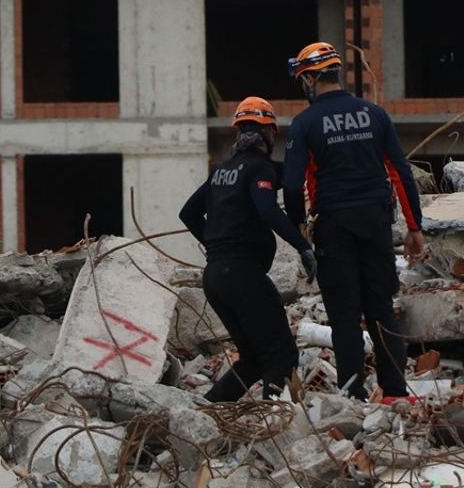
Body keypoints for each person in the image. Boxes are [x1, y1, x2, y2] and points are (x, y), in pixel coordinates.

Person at [282, 42, 425, 403]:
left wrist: (301, 229)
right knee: (380, 307)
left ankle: (352, 393)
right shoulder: (374, 114)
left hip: (333, 224)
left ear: (312, 78)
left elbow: (291, 183)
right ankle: (394, 391)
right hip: (375, 222)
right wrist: (414, 227)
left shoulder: (305, 123)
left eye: (304, 80)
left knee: (345, 312)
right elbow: (400, 172)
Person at [179, 96, 318, 402]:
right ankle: (272, 425)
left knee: (254, 359)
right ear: (270, 134)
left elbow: (187, 213)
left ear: (238, 133)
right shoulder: (259, 170)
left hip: (215, 277)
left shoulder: (220, 172)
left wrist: (217, 245)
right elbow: (268, 210)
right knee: (282, 357)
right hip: (243, 276)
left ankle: (207, 412)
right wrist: (302, 245)